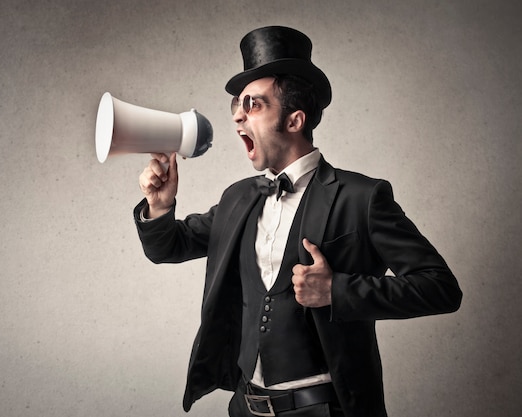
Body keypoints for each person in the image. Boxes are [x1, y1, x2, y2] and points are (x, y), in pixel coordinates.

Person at [133, 26, 462, 417]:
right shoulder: (239, 196)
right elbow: (167, 247)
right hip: (245, 407)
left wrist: (337, 290)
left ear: (294, 120)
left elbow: (442, 288)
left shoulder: (362, 198)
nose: (237, 115)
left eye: (254, 104)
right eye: (237, 104)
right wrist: (159, 205)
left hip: (325, 410)